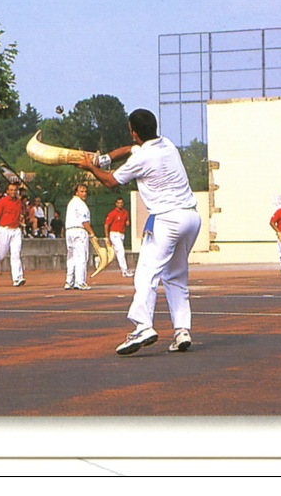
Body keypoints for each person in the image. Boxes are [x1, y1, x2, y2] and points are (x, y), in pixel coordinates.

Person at [78, 108, 200, 355]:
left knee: (146, 275)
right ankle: (182, 331)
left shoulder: (141, 159)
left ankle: (143, 327)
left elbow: (111, 182)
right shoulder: (167, 145)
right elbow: (128, 150)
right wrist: (103, 160)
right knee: (176, 276)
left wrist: (90, 168)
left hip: (167, 220)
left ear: (133, 132)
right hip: (191, 217)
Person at [0, 183, 26, 287]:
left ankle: (17, 278)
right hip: (4, 230)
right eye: (11, 190)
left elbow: (21, 213)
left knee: (16, 254)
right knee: (0, 255)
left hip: (16, 230)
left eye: (15, 190)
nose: (13, 192)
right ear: (7, 191)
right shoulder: (2, 202)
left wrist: (21, 219)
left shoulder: (19, 202)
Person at [63, 184, 97, 290]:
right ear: (76, 192)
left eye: (85, 191)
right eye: (81, 191)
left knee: (71, 257)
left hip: (69, 231)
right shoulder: (81, 204)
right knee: (81, 256)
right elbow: (84, 221)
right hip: (79, 231)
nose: (84, 193)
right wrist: (92, 233)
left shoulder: (71, 203)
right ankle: (80, 281)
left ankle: (69, 281)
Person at [103, 196, 133, 277]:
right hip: (114, 234)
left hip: (121, 234)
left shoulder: (125, 212)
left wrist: (127, 222)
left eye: (121, 203)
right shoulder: (112, 213)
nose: (120, 204)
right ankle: (125, 271)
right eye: (118, 203)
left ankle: (99, 260)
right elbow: (106, 225)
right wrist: (107, 237)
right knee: (121, 251)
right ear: (116, 204)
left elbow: (126, 221)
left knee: (116, 253)